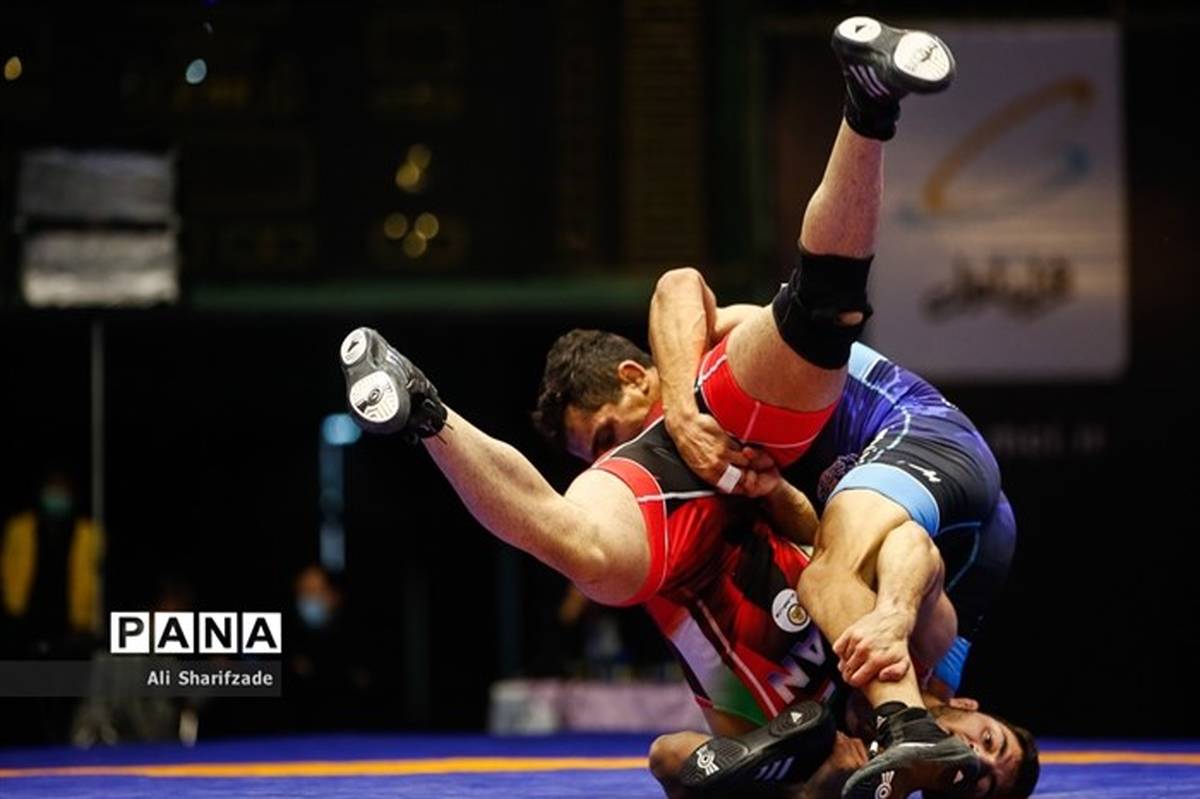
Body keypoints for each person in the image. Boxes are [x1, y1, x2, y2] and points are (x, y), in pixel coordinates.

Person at [339, 17, 1030, 799]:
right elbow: (677, 284)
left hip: (745, 547)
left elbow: (676, 746)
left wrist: (768, 492)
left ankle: (423, 413)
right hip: (752, 446)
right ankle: (869, 108)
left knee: (592, 554)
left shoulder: (876, 682)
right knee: (814, 325)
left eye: (609, 438)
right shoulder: (698, 375)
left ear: (633, 377)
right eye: (599, 453)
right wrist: (685, 416)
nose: (610, 459)